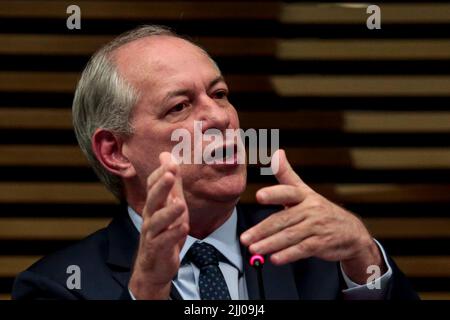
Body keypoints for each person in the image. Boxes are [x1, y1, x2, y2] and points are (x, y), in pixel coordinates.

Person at [12, 25, 418, 300]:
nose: (221, 118)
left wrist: (364, 255)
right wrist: (146, 291)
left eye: (220, 93)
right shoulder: (57, 286)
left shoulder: (317, 253)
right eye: (180, 106)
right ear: (115, 152)